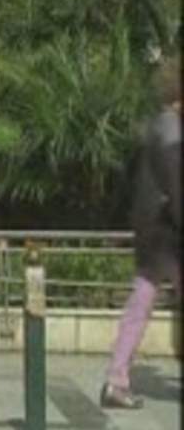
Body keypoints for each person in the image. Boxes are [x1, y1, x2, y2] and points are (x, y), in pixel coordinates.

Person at [100, 55, 181, 408]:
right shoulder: (171, 132)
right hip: (167, 234)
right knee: (140, 304)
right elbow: (177, 188)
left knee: (140, 303)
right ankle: (116, 380)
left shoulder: (158, 126)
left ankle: (116, 380)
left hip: (153, 231)